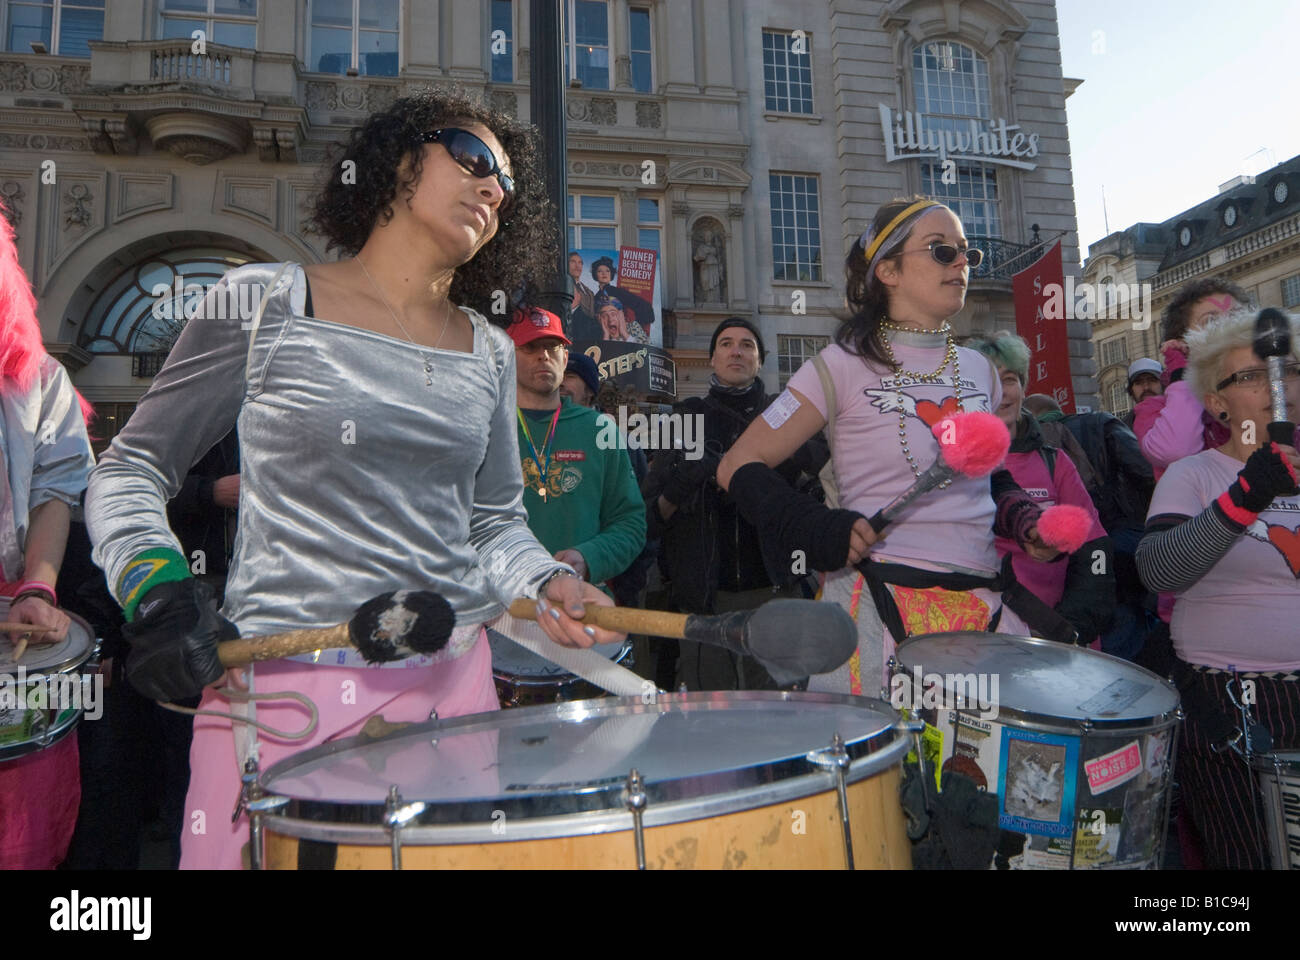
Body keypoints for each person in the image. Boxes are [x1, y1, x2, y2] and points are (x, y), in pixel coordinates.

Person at [84, 90, 624, 870]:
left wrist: (547, 583)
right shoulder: (264, 302)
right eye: (473, 159)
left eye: (505, 185)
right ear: (399, 162)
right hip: (281, 702)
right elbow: (130, 468)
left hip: (454, 701)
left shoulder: (490, 350)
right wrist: (156, 587)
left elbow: (492, 523)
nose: (493, 188)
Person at [716, 197, 1070, 699]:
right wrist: (814, 526)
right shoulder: (837, 366)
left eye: (968, 253)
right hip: (876, 613)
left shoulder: (981, 371)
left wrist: (1024, 522)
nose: (962, 263)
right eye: (941, 251)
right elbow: (735, 466)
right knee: (882, 778)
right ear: (888, 270)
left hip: (981, 616)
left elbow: (988, 479)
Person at [1136, 307, 1300, 869]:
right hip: (1234, 703)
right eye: (1251, 375)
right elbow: (1158, 570)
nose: (1277, 384)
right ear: (1218, 403)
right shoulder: (1195, 474)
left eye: (1288, 369)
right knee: (1251, 857)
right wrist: (1244, 497)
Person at [641, 317, 826, 691]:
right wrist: (681, 485)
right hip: (706, 600)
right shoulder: (685, 418)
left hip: (777, 592)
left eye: (747, 345)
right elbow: (648, 522)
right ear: (712, 359)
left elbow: (823, 493)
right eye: (726, 344)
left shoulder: (785, 415)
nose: (736, 351)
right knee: (712, 721)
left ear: (761, 360)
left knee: (781, 715)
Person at [0, 201, 96, 869]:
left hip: (13, 628)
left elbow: (54, 492)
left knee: (24, 832)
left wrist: (38, 587)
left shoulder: (41, 381)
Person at [967, 334, 1114, 646]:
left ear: (1023, 387)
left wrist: (1071, 624)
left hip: (1057, 638)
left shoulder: (1054, 461)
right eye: (988, 380)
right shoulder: (957, 465)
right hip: (983, 638)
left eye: (1009, 380)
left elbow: (1096, 550)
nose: (1001, 393)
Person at [1024, 393, 1155, 661]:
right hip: (1118, 539)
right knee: (1128, 618)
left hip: (1062, 560)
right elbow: (1143, 470)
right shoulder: (1099, 423)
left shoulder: (1029, 447)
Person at [1135, 278, 1249, 479]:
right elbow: (1176, 450)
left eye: (1237, 317)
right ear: (1182, 341)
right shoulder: (1153, 409)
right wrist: (1183, 375)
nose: (1230, 327)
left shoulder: (1271, 386)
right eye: (1211, 321)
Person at [591, 256, 654, 335]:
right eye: (600, 271)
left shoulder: (618, 292)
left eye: (607, 271)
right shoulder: (595, 297)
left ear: (611, 274)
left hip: (621, 333)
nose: (604, 273)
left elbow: (644, 306)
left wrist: (637, 326)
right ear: (595, 274)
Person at [566, 252, 600, 343]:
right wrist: (573, 307)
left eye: (580, 262)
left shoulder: (589, 292)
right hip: (572, 335)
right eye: (573, 262)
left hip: (588, 338)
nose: (577, 266)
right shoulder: (564, 286)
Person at [1125, 358, 1163, 428]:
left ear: (1163, 384)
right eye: (1138, 382)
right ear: (1131, 390)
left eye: (1152, 380)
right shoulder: (1123, 429)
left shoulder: (1181, 415)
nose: (1146, 387)